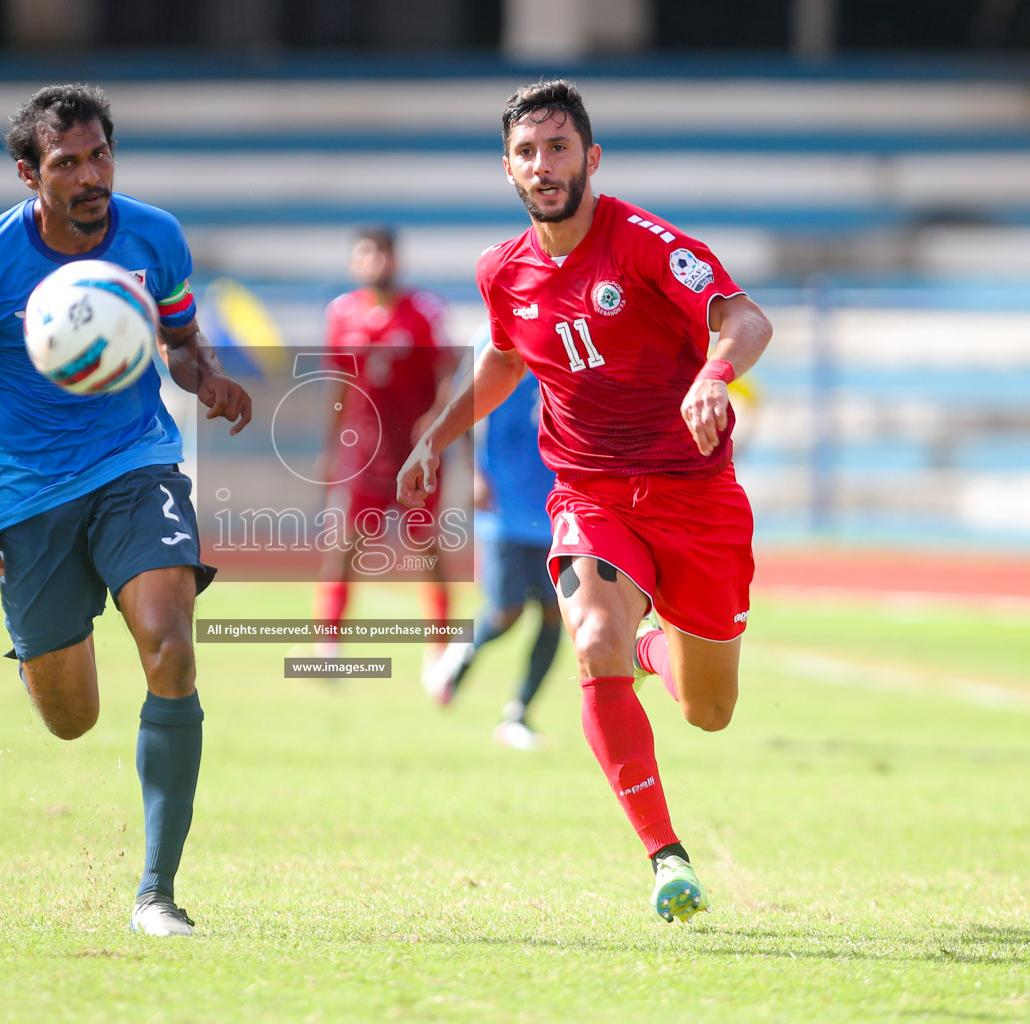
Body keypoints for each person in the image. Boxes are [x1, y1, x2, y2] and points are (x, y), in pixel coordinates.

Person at [398, 80, 772, 923]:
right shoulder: (503, 271)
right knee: (593, 638)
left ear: (590, 158)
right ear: (508, 168)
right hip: (591, 492)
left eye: (559, 147)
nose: (544, 165)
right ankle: (665, 858)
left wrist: (714, 374)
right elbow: (504, 359)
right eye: (527, 152)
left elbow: (744, 318)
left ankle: (653, 653)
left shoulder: (643, 243)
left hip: (695, 496)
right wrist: (435, 433)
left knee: (710, 711)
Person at [0, 84, 251, 937]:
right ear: (31, 173)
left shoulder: (155, 236)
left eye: (100, 154)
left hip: (136, 466)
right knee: (73, 720)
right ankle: (40, 644)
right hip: (28, 500)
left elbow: (178, 337)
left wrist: (204, 375)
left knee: (172, 651)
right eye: (66, 163)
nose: (90, 174)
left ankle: (156, 893)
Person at [311, 226, 459, 658]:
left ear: (396, 259)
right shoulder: (340, 312)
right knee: (344, 541)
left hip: (415, 452)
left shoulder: (425, 310)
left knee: (426, 543)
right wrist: (330, 446)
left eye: (382, 254)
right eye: (366, 254)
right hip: (362, 451)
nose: (375, 263)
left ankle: (441, 645)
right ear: (355, 262)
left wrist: (437, 423)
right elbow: (336, 384)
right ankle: (329, 640)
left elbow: (448, 372)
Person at [423, 323, 562, 751]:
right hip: (504, 500)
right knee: (506, 612)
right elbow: (459, 406)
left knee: (558, 613)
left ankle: (517, 713)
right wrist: (471, 473)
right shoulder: (496, 338)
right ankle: (460, 655)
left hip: (562, 502)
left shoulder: (574, 334)